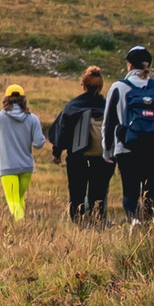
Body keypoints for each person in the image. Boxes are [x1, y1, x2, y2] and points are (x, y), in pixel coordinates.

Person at [105, 46, 154, 224]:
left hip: (127, 148)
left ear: (129, 65)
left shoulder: (118, 87)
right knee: (149, 192)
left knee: (130, 192)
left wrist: (107, 152)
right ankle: (148, 229)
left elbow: (108, 123)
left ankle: (135, 222)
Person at [50, 66, 114, 223]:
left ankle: (78, 223)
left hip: (78, 156)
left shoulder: (73, 106)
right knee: (98, 194)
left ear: (83, 85)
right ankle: (97, 223)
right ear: (100, 86)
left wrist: (57, 152)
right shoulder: (108, 107)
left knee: (77, 193)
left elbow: (62, 131)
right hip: (103, 158)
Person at [0, 85, 49, 220]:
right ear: (23, 100)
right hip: (26, 166)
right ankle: (21, 228)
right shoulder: (32, 118)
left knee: (13, 201)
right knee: (19, 199)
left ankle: (20, 224)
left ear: (6, 99)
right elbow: (39, 143)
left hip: (8, 167)